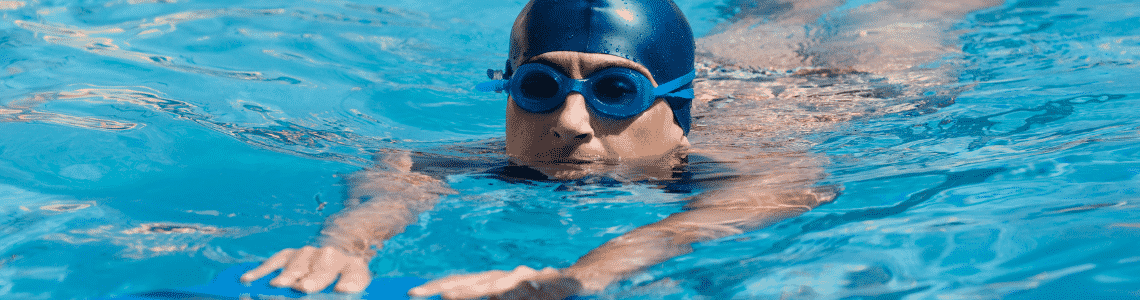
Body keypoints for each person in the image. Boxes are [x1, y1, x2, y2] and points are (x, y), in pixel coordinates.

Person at [239, 0, 835, 299]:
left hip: (839, 80)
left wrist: (582, 275)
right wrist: (344, 243)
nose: (571, 123)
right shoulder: (481, 156)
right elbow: (403, 171)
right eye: (540, 88)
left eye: (616, 92)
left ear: (677, 115)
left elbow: (785, 189)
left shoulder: (743, 167)